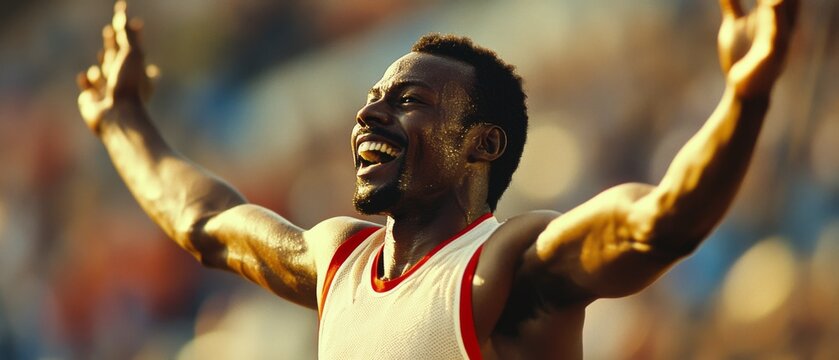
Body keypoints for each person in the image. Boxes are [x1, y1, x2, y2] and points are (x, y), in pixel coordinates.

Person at [76, 0, 798, 358]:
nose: (369, 117)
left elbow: (659, 222)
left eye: (407, 102)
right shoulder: (338, 260)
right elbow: (205, 222)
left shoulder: (507, 269)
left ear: (482, 144)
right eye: (370, 101)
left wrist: (744, 97)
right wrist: (120, 122)